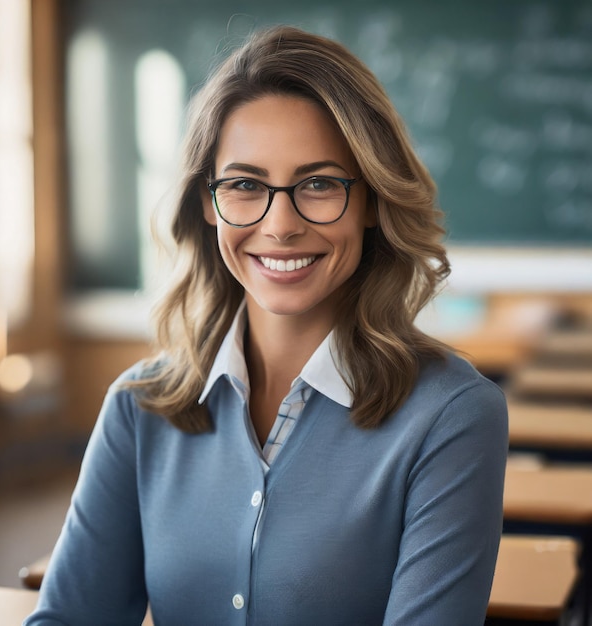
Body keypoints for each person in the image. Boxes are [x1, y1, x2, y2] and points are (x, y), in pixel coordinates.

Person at [25, 24, 508, 626]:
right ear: (207, 202)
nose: (280, 224)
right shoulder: (140, 407)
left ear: (373, 203)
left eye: (319, 184)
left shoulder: (452, 415)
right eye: (246, 185)